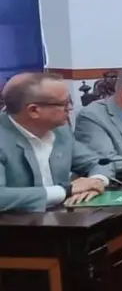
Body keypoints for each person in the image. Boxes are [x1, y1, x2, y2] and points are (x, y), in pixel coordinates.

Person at [0, 72, 114, 211]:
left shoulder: (60, 131)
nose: (70, 109)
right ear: (34, 110)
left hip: (60, 220)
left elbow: (98, 162)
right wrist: (65, 191)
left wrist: (96, 182)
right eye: (64, 104)